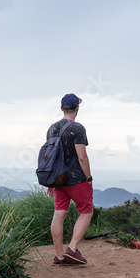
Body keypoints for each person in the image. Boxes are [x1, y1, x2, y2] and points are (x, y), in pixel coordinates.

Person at [46, 93, 94, 266]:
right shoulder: (78, 129)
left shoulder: (52, 129)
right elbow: (82, 157)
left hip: (58, 179)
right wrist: (88, 178)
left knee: (59, 213)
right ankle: (72, 249)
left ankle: (59, 256)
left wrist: (50, 182)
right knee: (86, 211)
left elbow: (49, 157)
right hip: (76, 179)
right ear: (77, 108)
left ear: (61, 108)